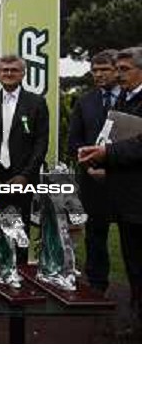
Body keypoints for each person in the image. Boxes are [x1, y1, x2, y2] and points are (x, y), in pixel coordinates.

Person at [79, 47, 142, 337]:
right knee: (132, 261)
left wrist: (106, 153)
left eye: (124, 69)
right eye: (117, 69)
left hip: (135, 197)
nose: (118, 75)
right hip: (123, 195)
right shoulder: (127, 101)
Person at [0, 54, 49, 263]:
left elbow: (41, 144)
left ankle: (19, 280)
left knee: (19, 232)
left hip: (21, 180)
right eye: (4, 70)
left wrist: (25, 175)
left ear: (23, 73)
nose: (8, 74)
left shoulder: (36, 103)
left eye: (13, 70)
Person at [68, 50, 120, 292]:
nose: (98, 75)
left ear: (117, 69)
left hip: (126, 179)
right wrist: (90, 165)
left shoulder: (132, 100)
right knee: (95, 234)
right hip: (92, 179)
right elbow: (74, 141)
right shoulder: (84, 101)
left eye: (104, 70)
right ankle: (97, 285)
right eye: (95, 70)